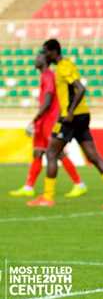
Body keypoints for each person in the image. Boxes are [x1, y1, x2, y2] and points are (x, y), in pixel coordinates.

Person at [28, 39, 103, 209]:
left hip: (71, 117)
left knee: (51, 153)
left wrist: (70, 112)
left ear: (53, 52)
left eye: (45, 52)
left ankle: (48, 197)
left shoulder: (63, 67)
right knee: (92, 156)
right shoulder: (67, 64)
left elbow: (80, 88)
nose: (44, 55)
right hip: (81, 115)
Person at [9, 53, 86, 199]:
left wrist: (35, 118)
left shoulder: (49, 75)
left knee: (57, 153)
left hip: (50, 120)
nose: (35, 59)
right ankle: (29, 186)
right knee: (38, 152)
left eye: (38, 57)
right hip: (43, 121)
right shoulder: (44, 75)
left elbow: (49, 100)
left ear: (44, 61)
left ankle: (79, 183)